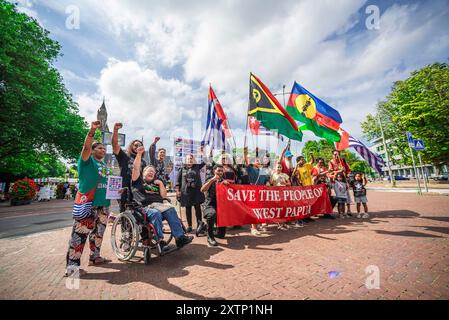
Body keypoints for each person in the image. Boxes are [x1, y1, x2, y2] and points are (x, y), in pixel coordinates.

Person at [65, 121, 112, 277]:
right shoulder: (86, 161)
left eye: (104, 148)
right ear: (92, 151)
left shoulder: (105, 165)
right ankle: (72, 268)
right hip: (88, 204)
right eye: (99, 148)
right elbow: (85, 147)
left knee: (98, 234)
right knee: (79, 235)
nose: (103, 150)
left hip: (104, 205)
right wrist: (91, 131)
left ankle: (95, 257)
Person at [131, 146, 193, 249]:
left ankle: (179, 238)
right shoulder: (138, 181)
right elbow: (136, 168)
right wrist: (138, 154)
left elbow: (164, 196)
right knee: (156, 213)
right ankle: (159, 240)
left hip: (158, 206)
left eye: (153, 171)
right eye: (148, 171)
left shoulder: (156, 183)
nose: (151, 172)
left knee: (170, 209)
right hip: (144, 208)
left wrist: (160, 183)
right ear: (143, 173)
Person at [112, 123, 147, 213]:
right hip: (125, 191)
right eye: (135, 145)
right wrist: (115, 130)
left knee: (142, 217)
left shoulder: (143, 162)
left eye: (140, 145)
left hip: (139, 192)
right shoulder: (124, 157)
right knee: (125, 217)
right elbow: (115, 144)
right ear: (131, 146)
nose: (138, 147)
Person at [176, 153, 206, 234]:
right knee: (188, 209)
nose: (190, 160)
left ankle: (200, 225)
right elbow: (178, 182)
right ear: (185, 160)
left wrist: (205, 151)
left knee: (197, 208)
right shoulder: (182, 169)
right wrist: (178, 191)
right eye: (188, 159)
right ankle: (189, 226)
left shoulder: (197, 167)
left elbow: (205, 160)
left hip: (196, 192)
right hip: (186, 192)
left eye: (191, 158)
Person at [200, 164, 229, 246]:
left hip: (220, 206)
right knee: (211, 214)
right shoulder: (210, 179)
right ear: (214, 171)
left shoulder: (224, 180)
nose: (220, 172)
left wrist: (228, 186)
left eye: (221, 171)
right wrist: (212, 180)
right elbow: (202, 190)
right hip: (209, 205)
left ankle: (205, 227)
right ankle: (210, 237)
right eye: (218, 170)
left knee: (221, 235)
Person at [244, 147, 270, 235]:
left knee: (261, 209)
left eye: (259, 159)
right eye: (256, 160)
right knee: (254, 209)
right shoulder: (250, 169)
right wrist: (245, 152)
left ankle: (260, 224)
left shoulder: (263, 170)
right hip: (253, 192)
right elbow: (246, 161)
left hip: (262, 193)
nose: (258, 161)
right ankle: (253, 228)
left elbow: (266, 180)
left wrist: (267, 183)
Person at [292, 154, 316, 225]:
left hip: (310, 186)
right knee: (304, 203)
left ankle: (308, 217)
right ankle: (303, 218)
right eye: (302, 159)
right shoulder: (297, 169)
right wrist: (296, 166)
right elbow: (293, 175)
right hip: (303, 188)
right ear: (298, 161)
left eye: (303, 159)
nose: (304, 160)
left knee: (309, 203)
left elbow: (312, 161)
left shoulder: (306, 165)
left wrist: (312, 155)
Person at [328, 150, 352, 215]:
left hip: (344, 181)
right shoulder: (331, 162)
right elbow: (329, 173)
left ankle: (349, 210)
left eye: (338, 154)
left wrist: (347, 175)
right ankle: (340, 212)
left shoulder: (343, 161)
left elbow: (349, 170)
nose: (336, 156)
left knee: (347, 195)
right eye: (335, 154)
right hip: (336, 182)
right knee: (339, 196)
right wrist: (338, 171)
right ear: (332, 155)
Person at [270, 162, 292, 230]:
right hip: (276, 194)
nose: (279, 168)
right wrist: (272, 178)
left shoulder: (284, 175)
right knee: (278, 209)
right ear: (275, 168)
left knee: (284, 209)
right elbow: (270, 183)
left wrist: (284, 183)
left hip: (284, 194)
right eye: (278, 167)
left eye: (280, 167)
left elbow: (289, 184)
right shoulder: (273, 175)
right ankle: (279, 224)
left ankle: (284, 223)